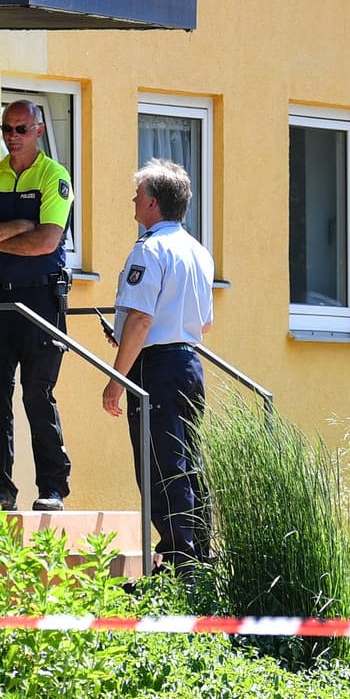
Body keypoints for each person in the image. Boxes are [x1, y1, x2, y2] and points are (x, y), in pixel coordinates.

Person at [0, 99, 75, 511]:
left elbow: (47, 242)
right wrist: (15, 228)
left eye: (21, 129)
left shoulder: (54, 176)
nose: (12, 137)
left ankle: (53, 488)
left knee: (37, 395)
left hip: (41, 297)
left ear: (39, 132)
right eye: (7, 128)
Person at [102, 160, 216, 568]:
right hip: (188, 362)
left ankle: (180, 559)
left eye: (138, 195)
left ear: (152, 203)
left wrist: (116, 379)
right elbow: (203, 321)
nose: (133, 200)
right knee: (186, 460)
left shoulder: (149, 249)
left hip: (157, 366)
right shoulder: (199, 252)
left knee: (159, 465)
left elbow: (142, 318)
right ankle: (197, 551)